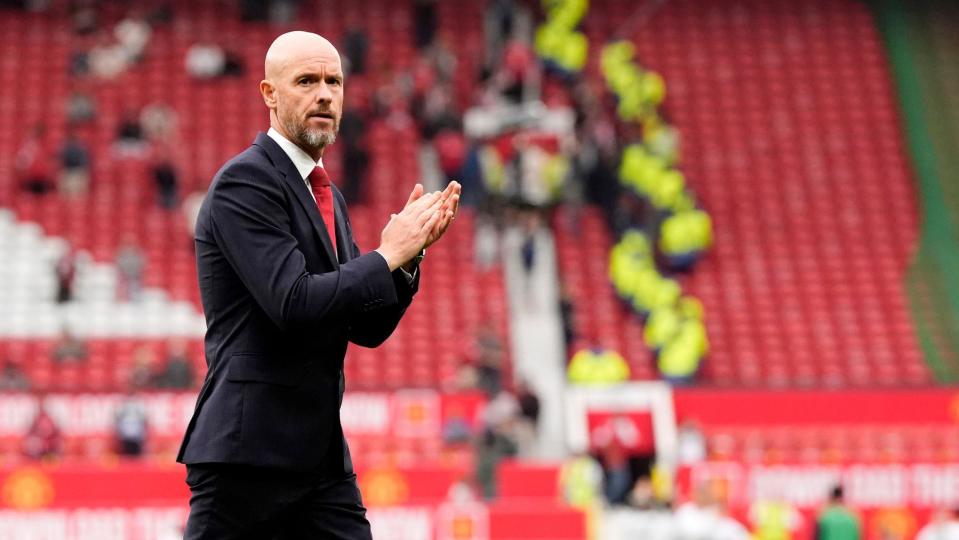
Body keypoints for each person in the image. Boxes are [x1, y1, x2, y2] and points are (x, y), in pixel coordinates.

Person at [177, 31, 460, 540]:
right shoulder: (246, 181)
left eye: (334, 81)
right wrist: (385, 254)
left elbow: (365, 326)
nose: (325, 94)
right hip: (249, 456)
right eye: (306, 81)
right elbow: (294, 302)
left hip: (319, 455)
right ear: (269, 94)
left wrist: (409, 257)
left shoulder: (327, 195)